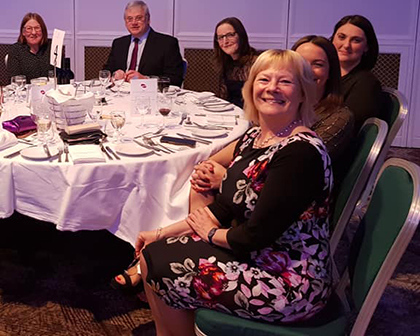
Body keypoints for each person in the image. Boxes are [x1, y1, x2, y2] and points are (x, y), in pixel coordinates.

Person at [113, 50, 333, 333]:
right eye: (264, 79)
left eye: (285, 82)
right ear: (251, 86)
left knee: (162, 266)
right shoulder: (258, 136)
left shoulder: (299, 153)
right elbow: (228, 206)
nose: (272, 88)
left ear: (303, 93)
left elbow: (255, 235)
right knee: (153, 253)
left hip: (288, 280)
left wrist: (209, 234)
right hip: (260, 255)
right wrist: (160, 233)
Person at [293, 35, 354, 163]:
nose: (307, 70)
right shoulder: (283, 105)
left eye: (318, 65)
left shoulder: (339, 117)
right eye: (300, 63)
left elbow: (302, 160)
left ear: (330, 72)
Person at [104, 0, 184, 86]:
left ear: (148, 19)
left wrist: (146, 79)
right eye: (129, 19)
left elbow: (176, 79)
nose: (134, 23)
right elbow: (106, 72)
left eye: (138, 18)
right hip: (120, 94)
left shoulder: (167, 43)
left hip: (151, 96)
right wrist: (114, 75)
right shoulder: (118, 43)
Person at [331, 15, 382, 132]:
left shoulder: (367, 83)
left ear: (366, 47)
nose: (346, 45)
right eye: (341, 37)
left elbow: (347, 127)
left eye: (356, 40)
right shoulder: (325, 75)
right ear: (332, 39)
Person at [213, 17, 259, 108]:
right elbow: (223, 98)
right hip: (231, 115)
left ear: (241, 36)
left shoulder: (255, 63)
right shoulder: (227, 63)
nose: (225, 41)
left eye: (230, 35)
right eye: (221, 37)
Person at [7, 12, 55, 80]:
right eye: (29, 28)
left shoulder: (53, 47)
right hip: (25, 90)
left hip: (50, 90)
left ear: (43, 31)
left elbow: (62, 77)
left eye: (37, 28)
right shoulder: (15, 50)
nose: (34, 32)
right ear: (23, 32)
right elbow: (15, 81)